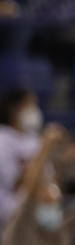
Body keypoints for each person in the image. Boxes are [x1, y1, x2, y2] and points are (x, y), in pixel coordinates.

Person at [0, 87, 42, 227]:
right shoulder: (3, 139)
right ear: (14, 108)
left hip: (38, 213)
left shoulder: (34, 139)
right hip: (10, 214)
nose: (34, 110)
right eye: (30, 104)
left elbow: (48, 180)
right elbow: (14, 183)